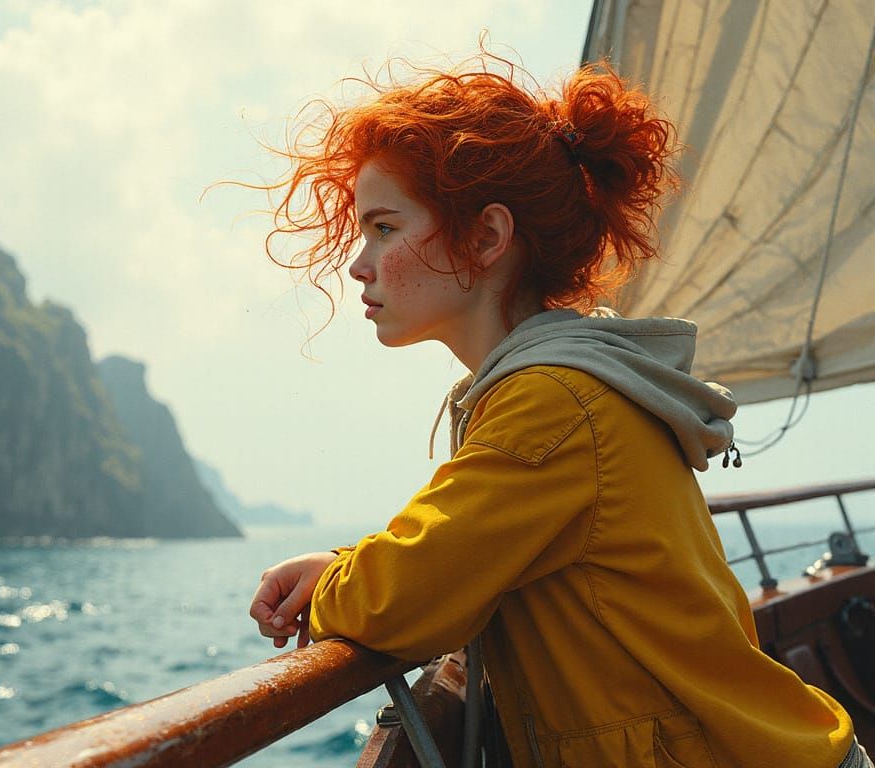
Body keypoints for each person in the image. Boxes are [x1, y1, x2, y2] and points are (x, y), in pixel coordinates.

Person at [247, 48, 868, 768]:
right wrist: (346, 563)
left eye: (384, 228)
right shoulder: (560, 386)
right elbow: (451, 550)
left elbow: (405, 597)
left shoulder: (554, 403)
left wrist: (331, 582)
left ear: (487, 237)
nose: (359, 265)